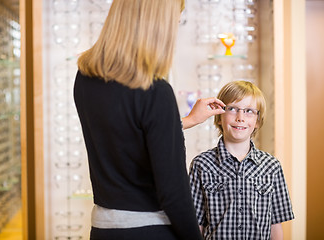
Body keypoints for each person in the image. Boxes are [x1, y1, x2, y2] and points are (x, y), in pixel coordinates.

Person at [73, 0, 225, 239]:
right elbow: (173, 193)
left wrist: (185, 121)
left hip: (103, 228)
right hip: (150, 230)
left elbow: (124, 133)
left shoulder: (84, 78)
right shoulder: (155, 91)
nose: (175, 31)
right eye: (174, 22)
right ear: (156, 25)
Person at [189, 81, 294, 239]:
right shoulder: (201, 165)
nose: (240, 118)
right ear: (219, 116)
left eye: (249, 111)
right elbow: (196, 224)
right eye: (232, 109)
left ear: (257, 121)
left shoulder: (272, 166)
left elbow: (276, 225)